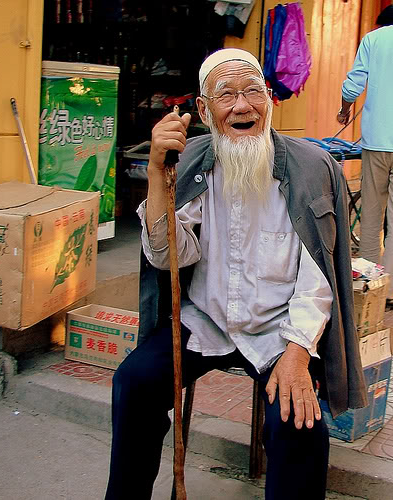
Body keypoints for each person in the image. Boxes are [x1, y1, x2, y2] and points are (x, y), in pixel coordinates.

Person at [105, 48, 367, 500]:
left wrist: (299, 352)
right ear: (205, 110)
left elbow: (316, 278)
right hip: (205, 321)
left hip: (277, 332)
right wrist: (155, 173)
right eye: (226, 95)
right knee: (133, 384)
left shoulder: (309, 168)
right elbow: (170, 259)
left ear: (270, 99)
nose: (242, 106)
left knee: (298, 424)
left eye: (252, 92)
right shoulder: (189, 161)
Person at [337, 5, 393, 305]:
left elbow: (354, 82)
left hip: (378, 141)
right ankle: (392, 291)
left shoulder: (373, 40)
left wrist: (345, 109)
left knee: (372, 212)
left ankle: (372, 284)